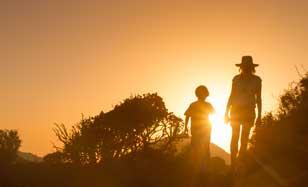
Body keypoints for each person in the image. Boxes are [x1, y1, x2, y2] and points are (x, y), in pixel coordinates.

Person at [224, 56, 262, 169]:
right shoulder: (236, 79)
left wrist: (259, 116)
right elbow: (231, 95)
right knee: (234, 137)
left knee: (244, 138)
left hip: (249, 111)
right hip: (235, 110)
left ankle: (240, 162)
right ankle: (233, 164)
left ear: (251, 68)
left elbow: (258, 98)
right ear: (241, 67)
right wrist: (226, 112)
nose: (246, 69)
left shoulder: (257, 80)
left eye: (248, 67)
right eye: (244, 67)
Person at [184, 85, 215, 168]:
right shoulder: (207, 105)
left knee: (198, 146)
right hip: (204, 127)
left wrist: (185, 127)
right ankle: (202, 166)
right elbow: (213, 112)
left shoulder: (193, 104)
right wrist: (185, 127)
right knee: (202, 146)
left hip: (200, 127)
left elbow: (187, 116)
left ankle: (199, 166)